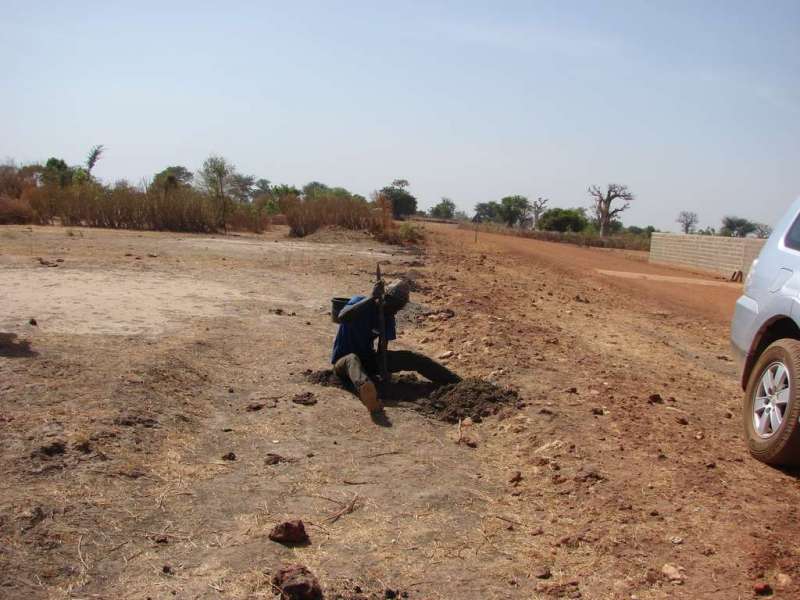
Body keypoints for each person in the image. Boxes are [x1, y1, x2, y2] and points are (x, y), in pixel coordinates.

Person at [331, 278, 461, 417]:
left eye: (399, 308)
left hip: (368, 361)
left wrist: (384, 370)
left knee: (412, 358)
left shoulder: (388, 318)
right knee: (353, 359)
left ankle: (457, 383)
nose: (395, 312)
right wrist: (371, 298)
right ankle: (367, 391)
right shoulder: (360, 302)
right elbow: (343, 317)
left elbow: (383, 349)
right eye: (394, 307)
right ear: (385, 298)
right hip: (343, 363)